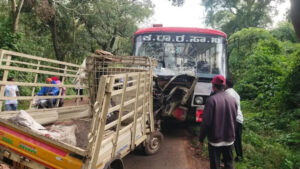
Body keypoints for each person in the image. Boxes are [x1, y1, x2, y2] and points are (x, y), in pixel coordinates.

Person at [198, 75, 238, 169]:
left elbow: (206, 123)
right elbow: (234, 118)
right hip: (229, 139)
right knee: (229, 163)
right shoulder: (233, 100)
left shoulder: (211, 100)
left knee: (215, 164)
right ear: (224, 86)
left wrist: (201, 139)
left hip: (215, 140)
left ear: (213, 86)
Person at [226, 79, 244, 161]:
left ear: (226, 85)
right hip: (239, 118)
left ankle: (227, 158)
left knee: (228, 138)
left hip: (233, 118)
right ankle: (239, 156)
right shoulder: (236, 93)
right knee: (237, 139)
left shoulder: (228, 93)